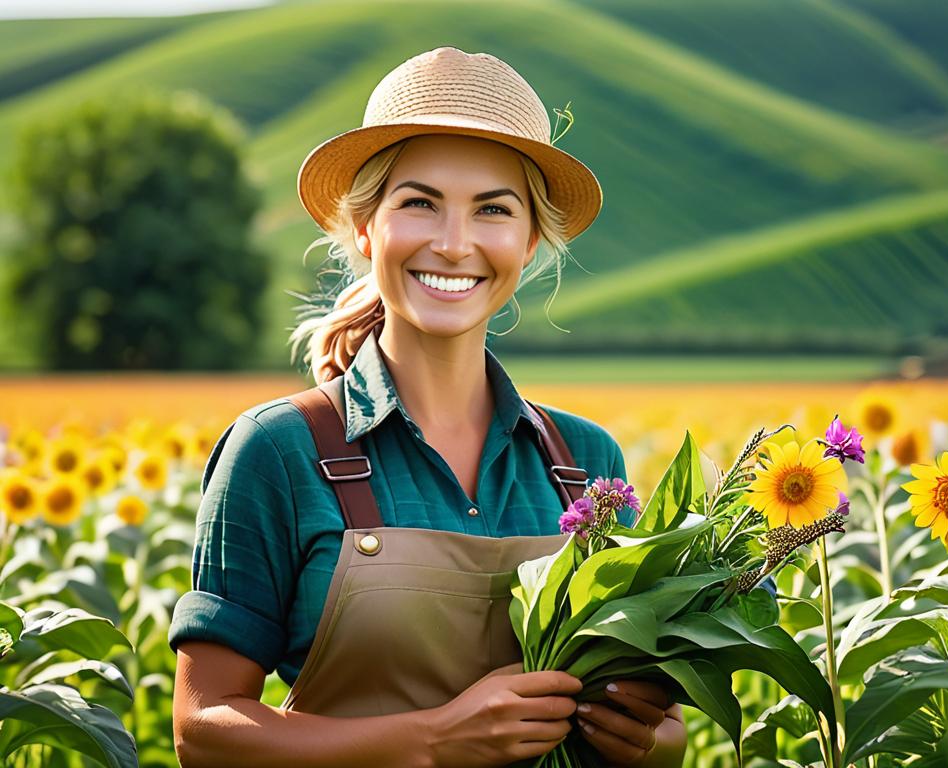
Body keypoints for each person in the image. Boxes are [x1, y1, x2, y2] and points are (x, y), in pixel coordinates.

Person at [168, 46, 686, 767]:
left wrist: (653, 741)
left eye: (493, 210)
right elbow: (203, 729)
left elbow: (654, 724)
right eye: (418, 203)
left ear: (529, 240)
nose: (453, 243)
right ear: (363, 226)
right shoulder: (278, 451)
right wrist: (434, 741)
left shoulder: (586, 461)